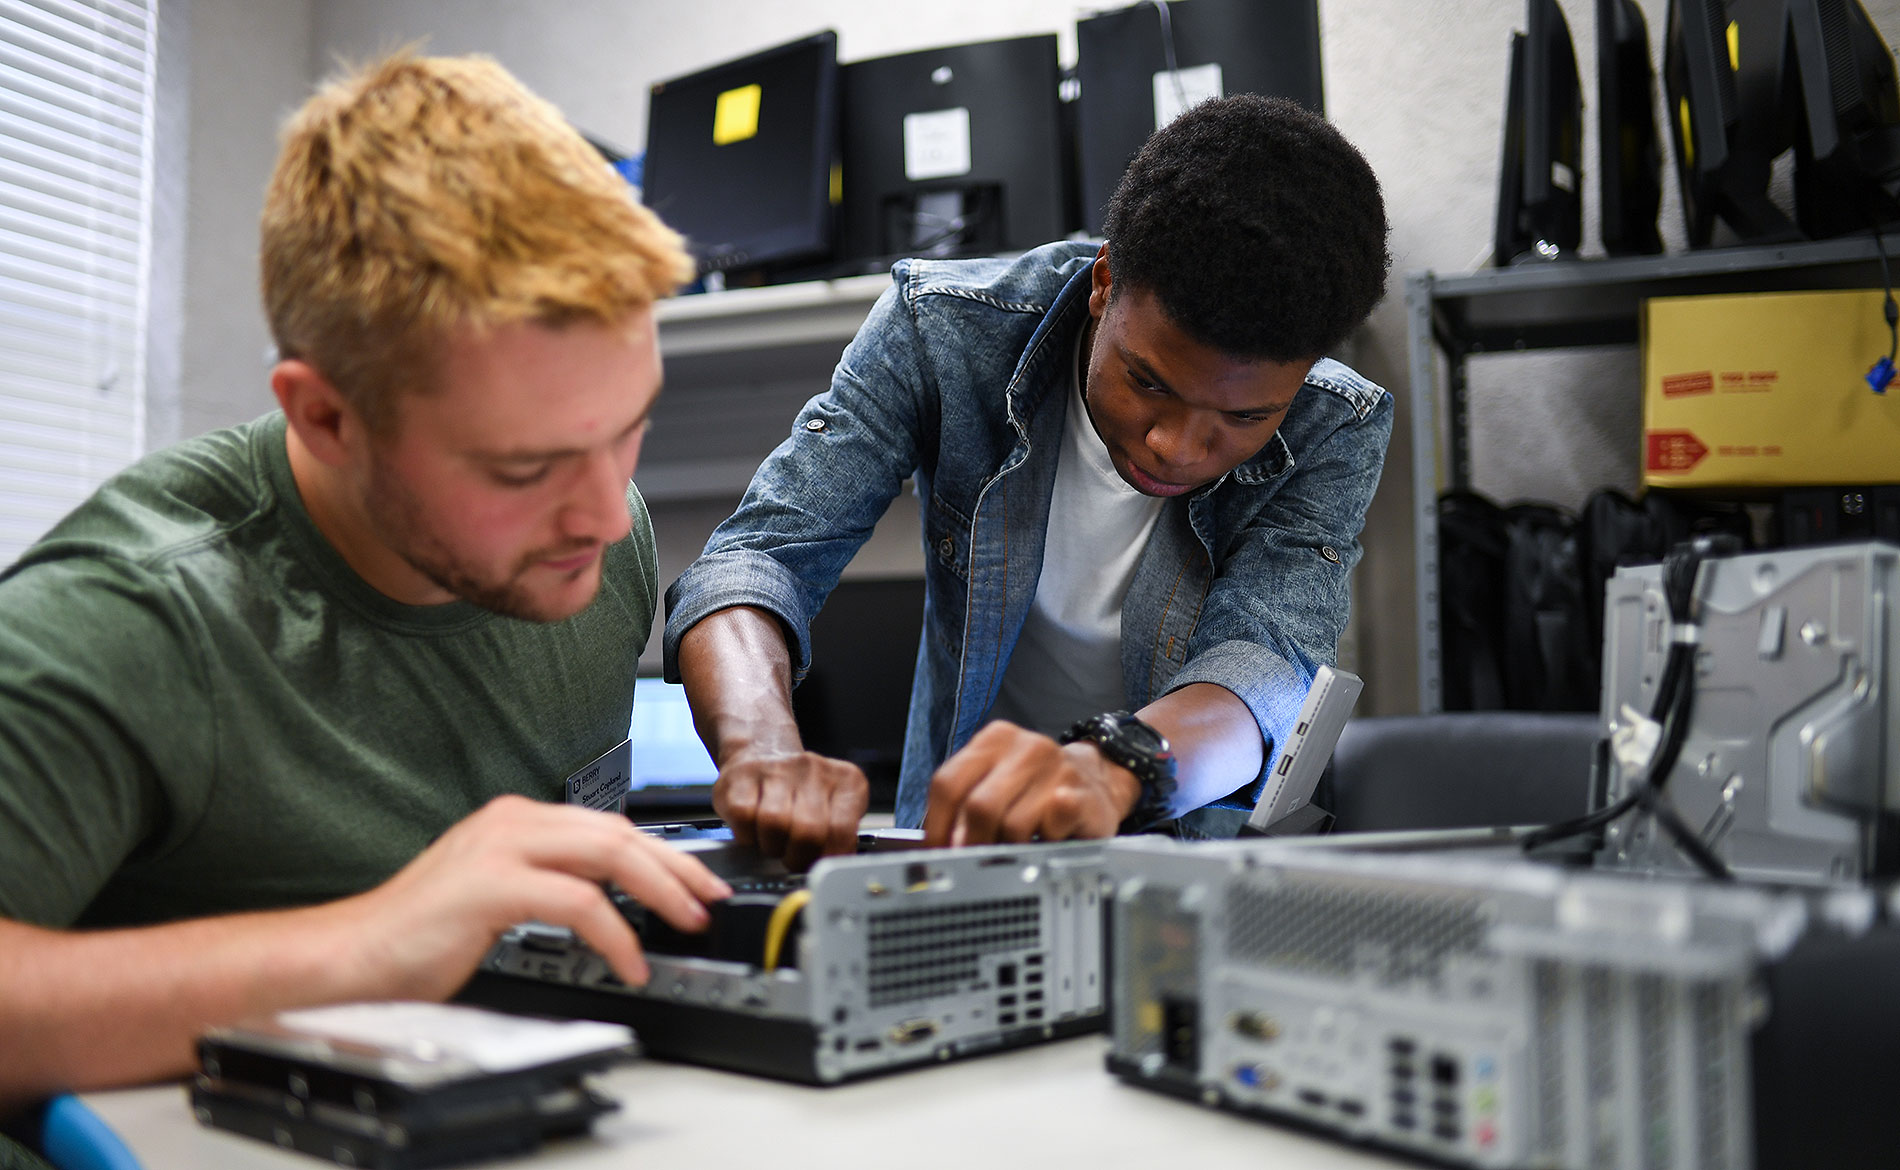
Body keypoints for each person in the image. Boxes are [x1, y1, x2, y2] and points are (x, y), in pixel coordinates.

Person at [0, 53, 733, 1109]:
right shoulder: (133, 619)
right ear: (326, 417)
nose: (605, 512)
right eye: (522, 469)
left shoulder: (598, 547)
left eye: (629, 432)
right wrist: (371, 944)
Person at [668, 95, 1393, 868]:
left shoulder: (1335, 424)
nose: (1176, 447)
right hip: (952, 847)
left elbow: (1268, 665)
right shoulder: (940, 331)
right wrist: (764, 749)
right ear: (1104, 282)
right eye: (1149, 383)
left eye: (1243, 418)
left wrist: (1115, 766)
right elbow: (760, 558)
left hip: (1193, 866)